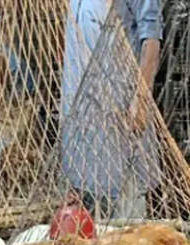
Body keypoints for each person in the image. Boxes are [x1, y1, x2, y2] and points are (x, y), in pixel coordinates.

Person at [60, 0, 164, 218]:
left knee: (124, 220)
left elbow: (151, 38)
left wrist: (141, 101)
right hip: (81, 123)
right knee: (83, 223)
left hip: (118, 116)